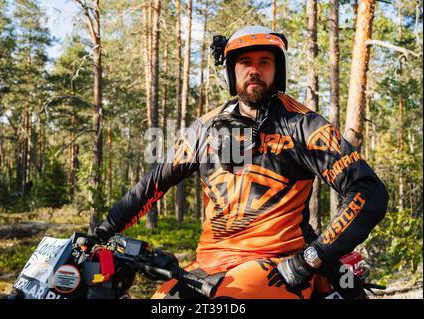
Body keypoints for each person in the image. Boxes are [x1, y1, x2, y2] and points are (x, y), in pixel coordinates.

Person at [93, 25, 389, 299]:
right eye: (245, 62)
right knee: (160, 302)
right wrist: (102, 233)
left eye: (264, 62)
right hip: (207, 265)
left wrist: (312, 257)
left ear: (278, 71)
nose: (254, 71)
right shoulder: (204, 129)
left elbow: (369, 191)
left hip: (276, 263)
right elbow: (152, 184)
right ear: (232, 71)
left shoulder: (303, 125)